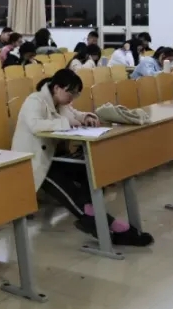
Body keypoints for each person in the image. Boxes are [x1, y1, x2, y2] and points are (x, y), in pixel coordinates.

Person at [12, 69, 152, 246]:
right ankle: (105, 226)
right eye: (70, 92)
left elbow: (74, 114)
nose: (72, 98)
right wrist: (66, 123)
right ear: (57, 88)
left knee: (88, 170)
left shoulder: (61, 103)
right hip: (35, 161)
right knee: (68, 187)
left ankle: (92, 218)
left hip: (56, 158)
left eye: (76, 94)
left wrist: (86, 117)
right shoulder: (35, 100)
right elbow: (35, 125)